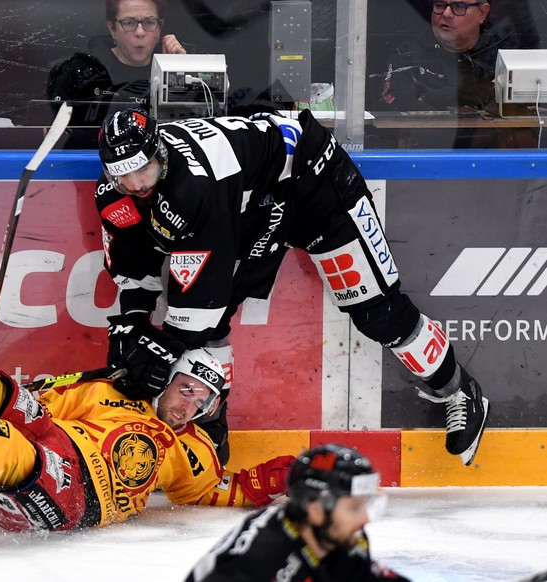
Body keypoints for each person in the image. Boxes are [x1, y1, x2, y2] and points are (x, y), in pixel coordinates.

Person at [93, 107, 489, 467]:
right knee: (206, 331)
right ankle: (210, 429)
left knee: (377, 312)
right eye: (122, 174)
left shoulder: (195, 187)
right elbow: (133, 261)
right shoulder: (117, 192)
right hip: (256, 200)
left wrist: (159, 349)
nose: (134, 183)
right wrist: (131, 321)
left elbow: (200, 303)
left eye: (141, 169)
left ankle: (457, 388)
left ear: (160, 151)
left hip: (314, 181)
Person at [0, 346, 296, 531]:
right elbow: (38, 404)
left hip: (77, 496)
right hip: (55, 445)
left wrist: (284, 477)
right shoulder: (107, 392)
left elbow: (219, 490)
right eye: (188, 389)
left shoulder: (193, 452)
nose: (190, 406)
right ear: (169, 380)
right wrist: (10, 393)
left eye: (204, 402)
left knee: (0, 442)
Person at [184, 444, 412, 581]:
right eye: (354, 508)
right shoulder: (257, 559)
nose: (364, 519)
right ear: (315, 509)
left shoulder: (344, 535)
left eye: (365, 506)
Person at [371, 0, 533, 147]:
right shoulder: (408, 55)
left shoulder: (504, 54)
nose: (446, 14)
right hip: (427, 157)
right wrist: (458, 98)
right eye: (440, 5)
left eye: (458, 7)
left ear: (482, 13)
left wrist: (430, 96)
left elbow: (533, 106)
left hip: (498, 163)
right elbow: (390, 102)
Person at [86, 0, 187, 105]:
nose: (140, 32)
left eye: (149, 22)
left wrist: (176, 72)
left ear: (160, 27)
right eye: (129, 22)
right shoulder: (92, 71)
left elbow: (181, 113)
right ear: (112, 28)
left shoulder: (169, 60)